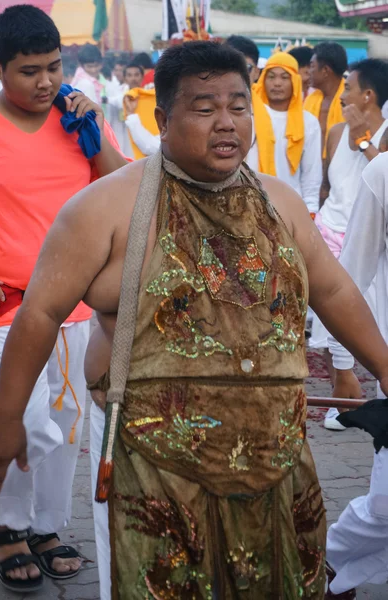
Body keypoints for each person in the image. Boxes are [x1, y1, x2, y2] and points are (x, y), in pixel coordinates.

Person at [0, 40, 388, 600]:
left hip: (276, 461)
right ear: (163, 118)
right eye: (204, 109)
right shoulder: (103, 208)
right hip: (153, 469)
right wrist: (5, 418)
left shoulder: (280, 203)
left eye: (237, 106)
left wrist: (385, 367)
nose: (226, 123)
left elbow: (334, 289)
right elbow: (39, 316)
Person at [0, 5, 126, 593]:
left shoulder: (77, 118)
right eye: (28, 72)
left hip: (74, 304)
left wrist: (95, 137)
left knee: (70, 425)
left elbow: (123, 188)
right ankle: (6, 526)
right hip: (9, 307)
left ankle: (43, 527)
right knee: (23, 418)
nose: (45, 82)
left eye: (53, 66)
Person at [309, 59, 388, 429]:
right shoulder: (335, 131)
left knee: (371, 317)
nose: (343, 94)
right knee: (330, 321)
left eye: (350, 87)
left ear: (368, 95)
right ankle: (346, 395)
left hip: (373, 240)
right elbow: (329, 184)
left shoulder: (384, 134)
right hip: (332, 232)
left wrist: (365, 141)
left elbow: (383, 178)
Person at [325, 153, 388, 598]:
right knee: (386, 505)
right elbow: (348, 277)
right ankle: (328, 560)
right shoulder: (382, 172)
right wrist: (341, 363)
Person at [249, 52, 322, 215]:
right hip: (251, 203)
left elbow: (311, 174)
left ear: (295, 81)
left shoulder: (308, 123)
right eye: (271, 76)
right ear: (263, 80)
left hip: (290, 208)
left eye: (284, 77)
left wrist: (310, 210)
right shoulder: (249, 115)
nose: (277, 83)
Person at [305, 42, 347, 157]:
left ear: (325, 70)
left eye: (312, 66)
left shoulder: (351, 100)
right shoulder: (310, 100)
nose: (309, 71)